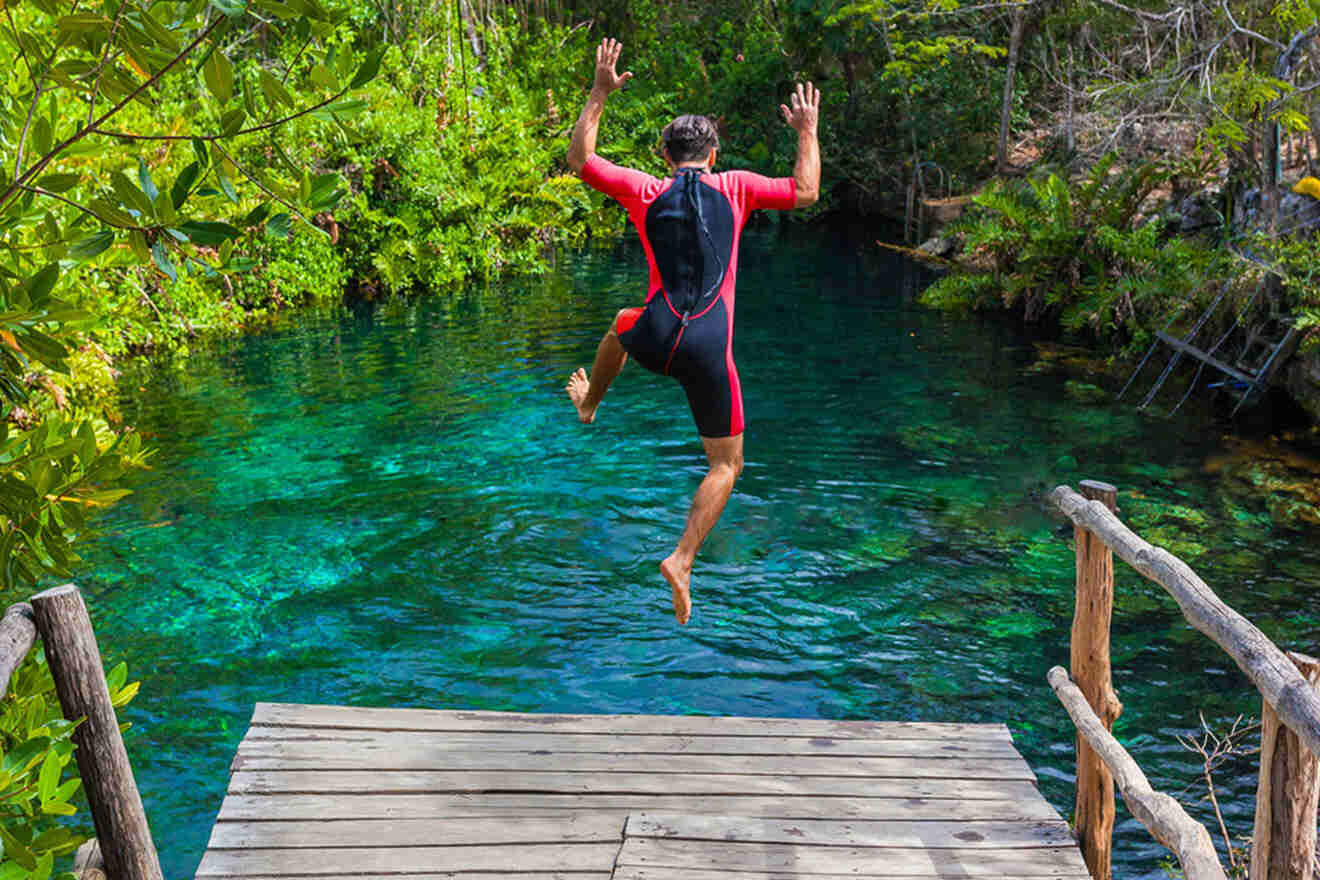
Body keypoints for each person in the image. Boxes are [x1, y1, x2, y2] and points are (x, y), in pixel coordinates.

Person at [564, 37, 820, 625]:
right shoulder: (735, 188)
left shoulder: (645, 190)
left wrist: (600, 93)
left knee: (619, 326)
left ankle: (590, 406)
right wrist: (805, 130)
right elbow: (805, 191)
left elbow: (580, 160)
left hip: (653, 335)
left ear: (663, 153)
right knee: (726, 466)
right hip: (708, 348)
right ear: (715, 152)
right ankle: (682, 558)